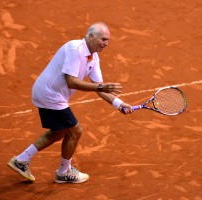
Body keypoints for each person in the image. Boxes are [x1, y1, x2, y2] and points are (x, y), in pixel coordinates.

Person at [7, 22, 133, 184]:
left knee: (59, 131)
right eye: (103, 39)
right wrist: (101, 86)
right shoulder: (76, 49)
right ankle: (63, 172)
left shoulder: (93, 57)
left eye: (108, 40)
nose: (106, 43)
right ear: (91, 35)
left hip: (51, 94)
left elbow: (99, 88)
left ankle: (21, 160)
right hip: (49, 94)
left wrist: (119, 103)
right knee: (75, 131)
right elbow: (71, 82)